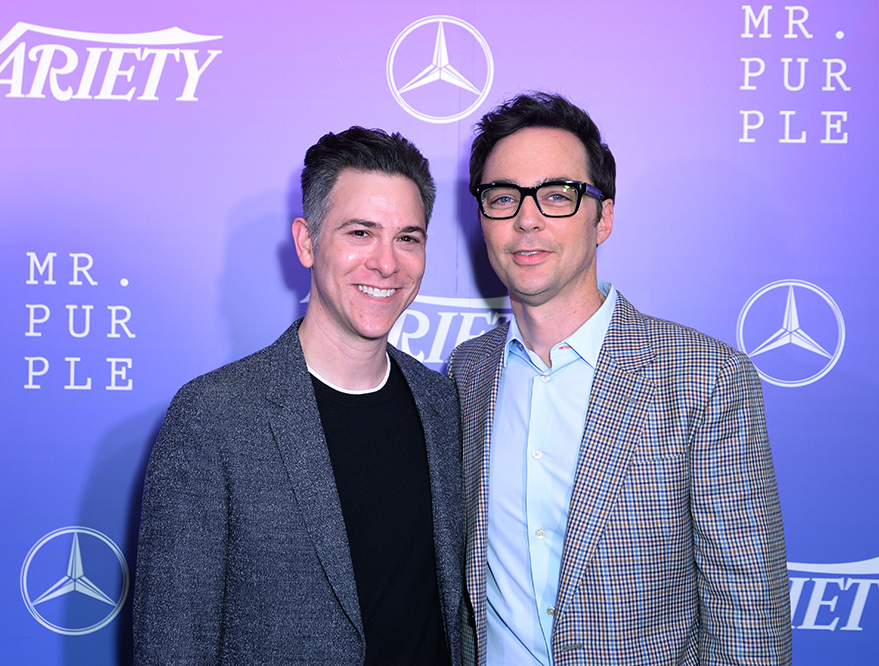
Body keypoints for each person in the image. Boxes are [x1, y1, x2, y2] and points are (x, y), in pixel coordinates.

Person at [448, 92, 791, 665]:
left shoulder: (704, 377)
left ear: (603, 217)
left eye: (557, 195)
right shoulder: (468, 371)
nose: (527, 218)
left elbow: (749, 612)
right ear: (482, 218)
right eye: (503, 197)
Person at [133, 127, 463, 665]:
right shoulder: (214, 418)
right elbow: (172, 646)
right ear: (307, 242)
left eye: (408, 237)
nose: (386, 262)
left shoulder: (443, 406)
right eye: (360, 233)